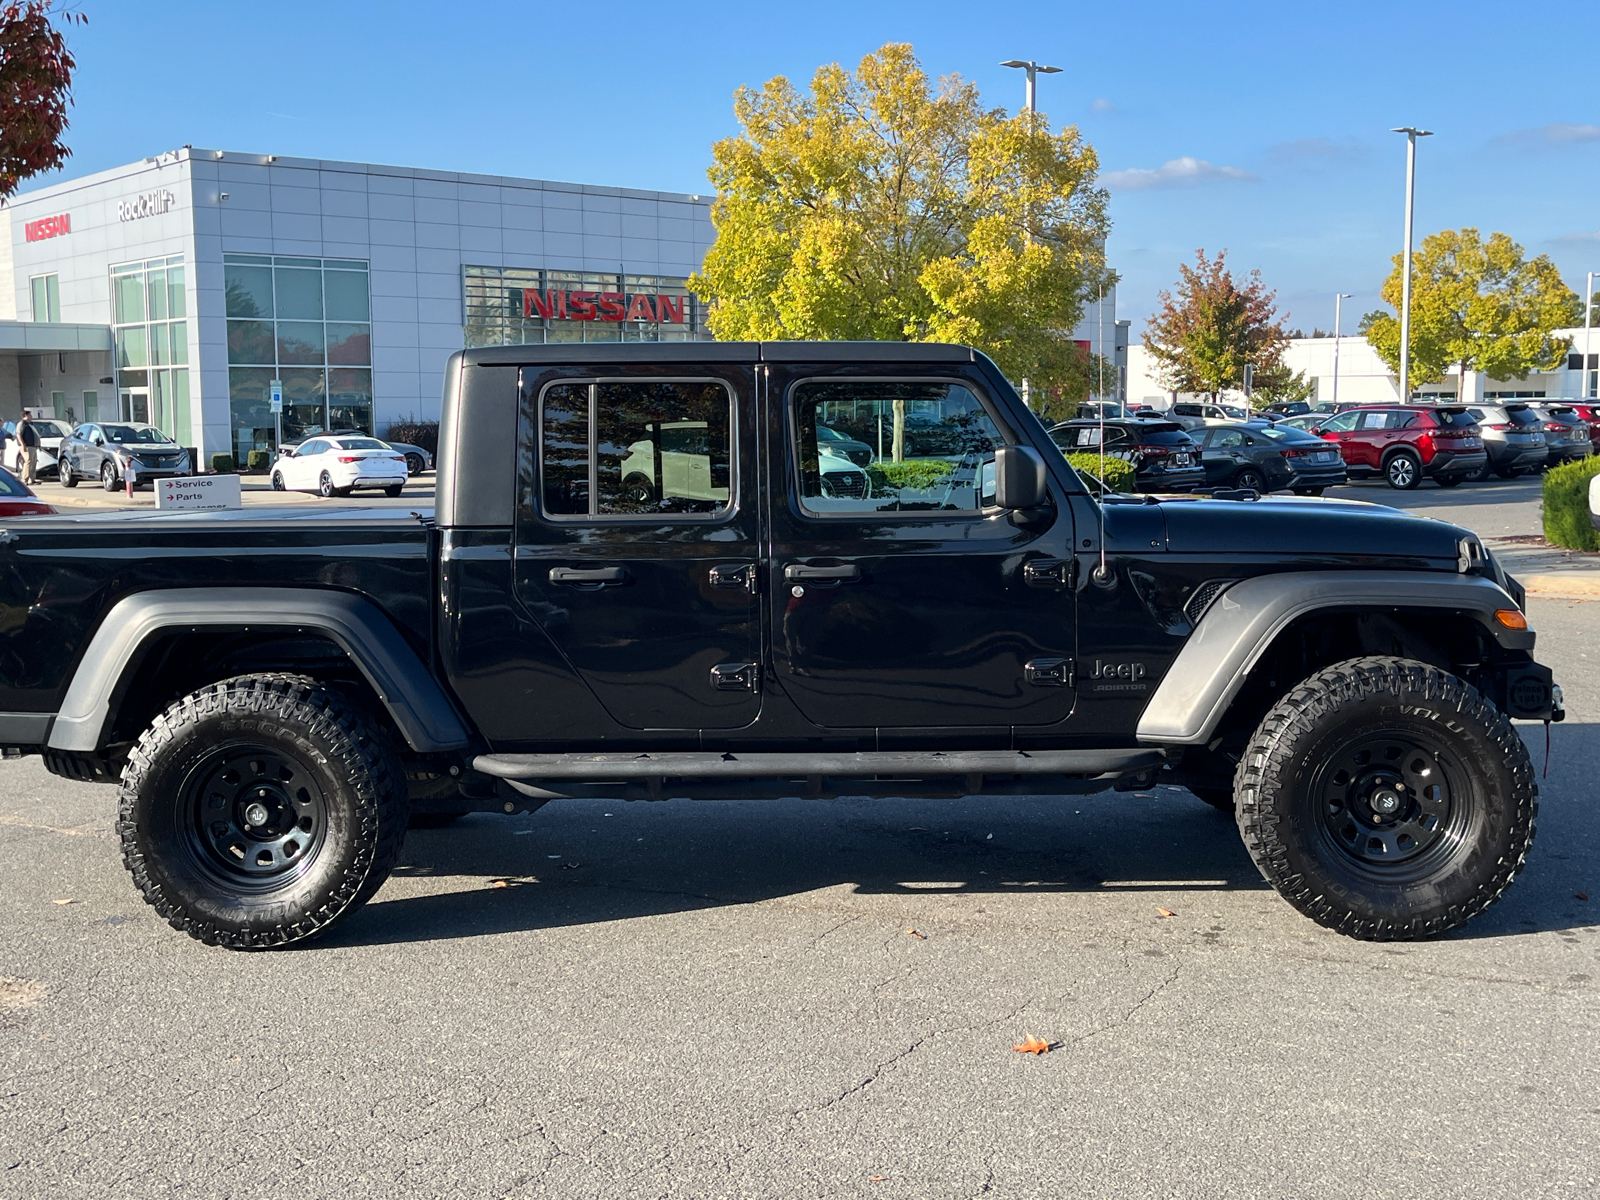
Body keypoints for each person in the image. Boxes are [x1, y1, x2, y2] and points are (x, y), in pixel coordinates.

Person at [17, 417, 39, 486]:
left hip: (33, 446)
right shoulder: (21, 424)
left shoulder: (30, 424)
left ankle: (32, 479)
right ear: (25, 415)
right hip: (27, 446)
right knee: (28, 461)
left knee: (33, 462)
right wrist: (23, 444)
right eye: (29, 415)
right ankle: (24, 479)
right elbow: (19, 435)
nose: (31, 417)